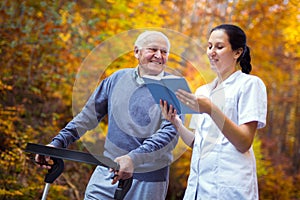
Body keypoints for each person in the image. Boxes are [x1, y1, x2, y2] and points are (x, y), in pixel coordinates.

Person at [36, 30, 179, 200]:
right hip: (106, 172)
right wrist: (58, 143)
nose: (158, 55)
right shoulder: (116, 79)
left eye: (164, 52)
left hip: (147, 183)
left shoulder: (174, 86)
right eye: (152, 49)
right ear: (136, 52)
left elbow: (170, 133)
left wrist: (133, 158)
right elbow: (87, 117)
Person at [160, 24, 267, 199]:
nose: (211, 52)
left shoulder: (250, 85)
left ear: (237, 52)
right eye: (209, 46)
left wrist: (211, 109)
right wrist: (176, 123)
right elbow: (198, 143)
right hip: (198, 190)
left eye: (219, 47)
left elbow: (244, 142)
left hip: (230, 190)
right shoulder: (202, 92)